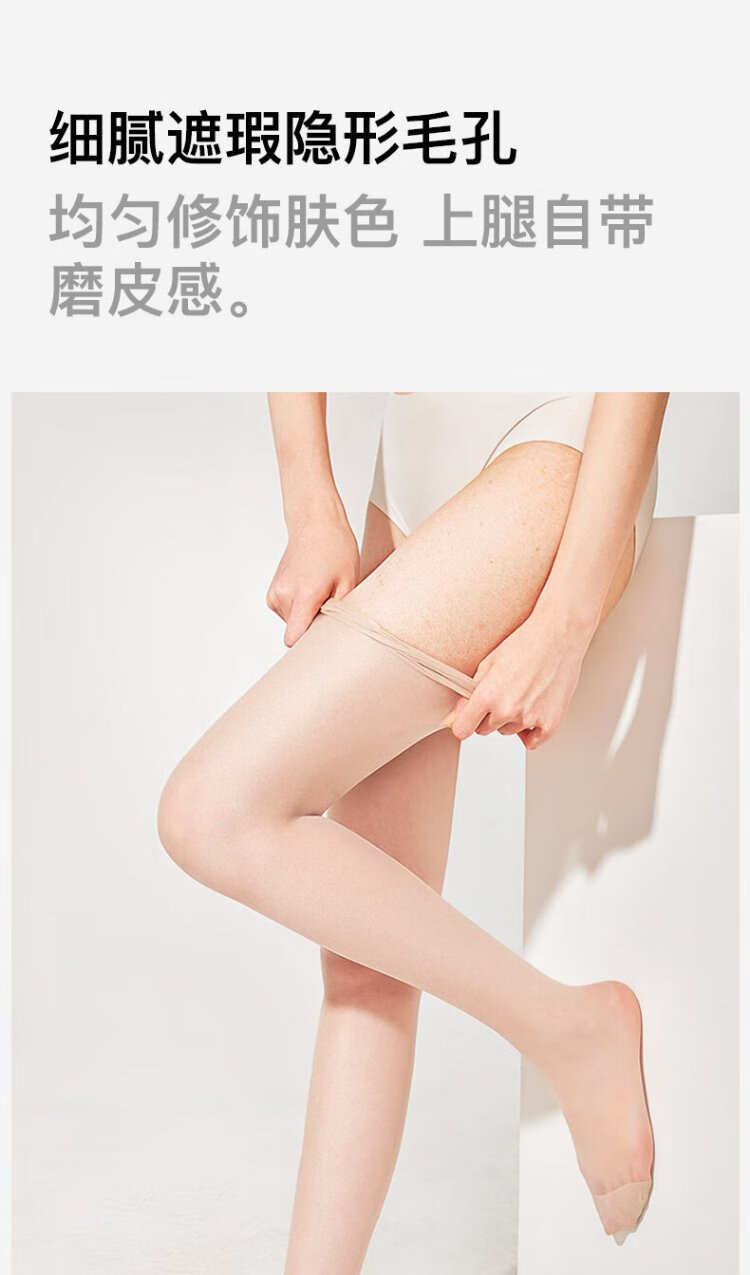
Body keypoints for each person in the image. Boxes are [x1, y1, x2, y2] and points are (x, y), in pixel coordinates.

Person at [158, 390, 667, 1273]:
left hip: (560, 441)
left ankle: (570, 1027)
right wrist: (311, 500)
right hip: (410, 463)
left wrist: (566, 620)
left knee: (212, 809)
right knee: (365, 968)